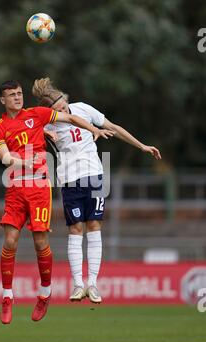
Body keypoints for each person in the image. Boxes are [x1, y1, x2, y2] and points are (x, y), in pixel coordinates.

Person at [0, 80, 113, 324]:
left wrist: (94, 129)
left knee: (40, 242)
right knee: (10, 240)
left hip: (39, 188)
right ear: (2, 100)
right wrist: (25, 162)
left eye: (19, 93)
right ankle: (7, 297)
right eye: (11, 95)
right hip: (15, 187)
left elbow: (70, 118)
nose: (17, 97)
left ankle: (45, 293)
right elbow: (4, 157)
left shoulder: (37, 114)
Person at [32, 77, 161, 304]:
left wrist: (142, 146)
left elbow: (113, 128)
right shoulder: (47, 123)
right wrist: (42, 135)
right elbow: (29, 139)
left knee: (94, 225)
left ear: (66, 99)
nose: (64, 111)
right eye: (58, 110)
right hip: (69, 180)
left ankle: (92, 283)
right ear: (50, 111)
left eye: (63, 106)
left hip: (94, 175)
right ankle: (78, 284)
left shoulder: (82, 109)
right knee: (75, 229)